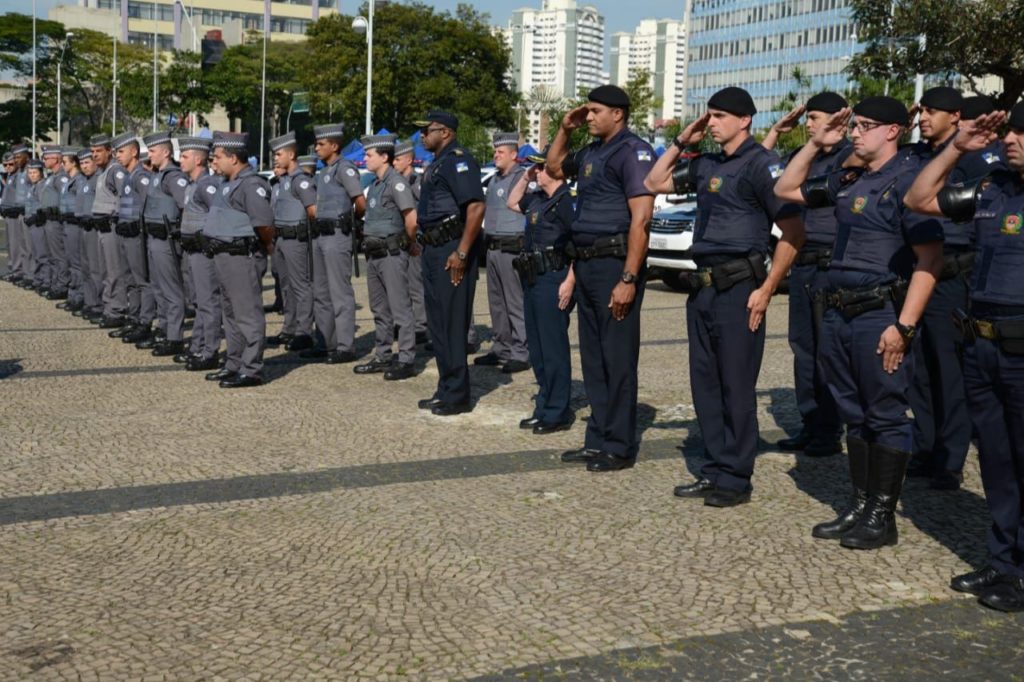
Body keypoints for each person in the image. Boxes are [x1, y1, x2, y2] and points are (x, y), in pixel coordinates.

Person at [774, 96, 944, 549]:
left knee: (886, 414)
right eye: (855, 125)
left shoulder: (908, 181)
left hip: (881, 312)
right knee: (853, 412)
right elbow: (787, 190)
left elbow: (930, 260)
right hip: (839, 309)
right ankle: (860, 503)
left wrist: (904, 328)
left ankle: (882, 515)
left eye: (865, 125)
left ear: (892, 131)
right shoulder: (849, 178)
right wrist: (814, 144)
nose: (855, 132)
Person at [646, 87, 803, 500]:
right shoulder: (707, 164)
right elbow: (654, 181)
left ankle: (736, 477)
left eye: (717, 116)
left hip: (740, 289)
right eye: (708, 116)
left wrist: (768, 288)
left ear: (744, 120)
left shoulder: (762, 165)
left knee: (736, 385)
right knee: (706, 384)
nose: (710, 122)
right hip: (703, 288)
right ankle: (715, 468)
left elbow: (793, 232)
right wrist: (683, 140)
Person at [904, 105, 1024, 611]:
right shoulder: (993, 187)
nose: (1011, 138)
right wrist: (958, 147)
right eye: (1011, 129)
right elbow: (919, 197)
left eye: (1022, 131)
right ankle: (1004, 563)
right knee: (997, 462)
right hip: (985, 344)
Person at [546, 85, 656, 472]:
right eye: (587, 111)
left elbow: (641, 219)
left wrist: (628, 277)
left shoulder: (633, 151)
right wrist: (565, 129)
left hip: (614, 264)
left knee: (617, 358)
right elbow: (553, 168)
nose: (588, 116)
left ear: (618, 114)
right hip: (588, 263)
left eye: (595, 111)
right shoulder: (592, 151)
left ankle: (620, 445)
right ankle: (598, 438)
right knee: (593, 359)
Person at [904, 87, 986, 490]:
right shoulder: (917, 158)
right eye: (922, 112)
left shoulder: (971, 162)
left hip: (951, 275)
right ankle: (924, 446)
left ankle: (951, 459)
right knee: (917, 368)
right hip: (916, 272)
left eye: (932, 112)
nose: (923, 118)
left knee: (948, 369)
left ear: (956, 117)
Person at [764, 93, 851, 458]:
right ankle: (811, 423)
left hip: (832, 264)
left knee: (827, 353)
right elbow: (768, 173)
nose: (809, 125)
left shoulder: (852, 157)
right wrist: (772, 134)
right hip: (803, 262)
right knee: (803, 348)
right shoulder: (808, 158)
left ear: (839, 121)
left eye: (815, 118)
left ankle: (829, 429)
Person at [413, 110, 486, 415]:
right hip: (433, 249)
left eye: (426, 131)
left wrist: (463, 252)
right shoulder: (438, 163)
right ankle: (445, 388)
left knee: (453, 322)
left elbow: (476, 208)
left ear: (444, 132)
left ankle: (457, 395)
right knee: (439, 323)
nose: (421, 136)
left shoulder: (459, 160)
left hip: (451, 250)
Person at [506, 152, 577, 433]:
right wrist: (525, 177)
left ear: (558, 172)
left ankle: (558, 411)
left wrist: (570, 281)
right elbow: (512, 202)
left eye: (541, 167)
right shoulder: (538, 199)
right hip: (533, 277)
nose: (537, 171)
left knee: (553, 348)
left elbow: (579, 243)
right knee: (537, 347)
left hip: (554, 278)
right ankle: (544, 405)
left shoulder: (566, 202)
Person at [202, 131, 275, 388]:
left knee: (247, 315)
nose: (214, 162)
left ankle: (252, 368)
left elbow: (264, 224)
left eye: (218, 157)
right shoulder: (227, 184)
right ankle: (234, 363)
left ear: (233, 159)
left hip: (241, 256)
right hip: (223, 255)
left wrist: (268, 247)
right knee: (230, 315)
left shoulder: (251, 185)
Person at [352, 133, 419, 381]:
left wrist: (409, 243)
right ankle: (382, 355)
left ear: (384, 157)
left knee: (401, 308)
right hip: (374, 254)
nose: (365, 158)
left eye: (369, 155)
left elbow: (411, 219)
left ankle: (406, 359)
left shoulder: (396, 183)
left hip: (392, 253)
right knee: (379, 308)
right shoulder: (376, 185)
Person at [303, 122, 366, 364]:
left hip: (337, 235)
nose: (317, 148)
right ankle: (326, 341)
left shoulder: (344, 169)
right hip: (321, 235)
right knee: (320, 292)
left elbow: (360, 202)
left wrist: (350, 221)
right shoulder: (324, 171)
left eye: (321, 144)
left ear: (334, 145)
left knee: (340, 292)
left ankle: (346, 345)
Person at [476, 132, 530, 373]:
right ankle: (501, 347)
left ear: (514, 155)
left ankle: (521, 351)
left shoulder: (523, 178)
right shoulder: (496, 179)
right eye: (495, 151)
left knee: (515, 302)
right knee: (496, 303)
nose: (495, 155)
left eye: (500, 152)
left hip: (512, 248)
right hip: (493, 247)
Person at [140, 131, 190, 357]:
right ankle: (164, 329)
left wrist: (180, 231)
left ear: (166, 152)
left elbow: (187, 207)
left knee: (171, 290)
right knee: (159, 288)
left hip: (166, 239)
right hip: (154, 238)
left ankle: (175, 336)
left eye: (152, 151)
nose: (149, 156)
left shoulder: (173, 177)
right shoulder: (157, 175)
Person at [267, 131, 317, 353]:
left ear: (291, 154)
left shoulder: (301, 181)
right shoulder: (284, 181)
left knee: (300, 286)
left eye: (279, 154)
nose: (275, 159)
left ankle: (304, 331)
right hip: (281, 238)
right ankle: (289, 327)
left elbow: (314, 212)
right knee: (286, 287)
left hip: (296, 239)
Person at [177, 136, 224, 371]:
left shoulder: (207, 184)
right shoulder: (192, 184)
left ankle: (210, 351)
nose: (180, 160)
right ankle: (198, 346)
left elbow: (221, 212)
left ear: (198, 159)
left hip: (204, 251)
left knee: (208, 302)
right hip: (192, 250)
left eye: (184, 156)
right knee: (199, 302)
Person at [110, 132, 156, 346]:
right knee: (129, 279)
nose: (117, 156)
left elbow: (149, 205)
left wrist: (139, 225)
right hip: (126, 234)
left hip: (137, 235)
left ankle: (145, 322)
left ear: (134, 152)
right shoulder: (128, 176)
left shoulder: (141, 176)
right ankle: (134, 317)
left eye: (121, 151)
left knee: (141, 280)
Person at [89, 134, 132, 332]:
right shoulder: (103, 172)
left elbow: (127, 197)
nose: (95, 155)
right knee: (106, 270)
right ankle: (109, 307)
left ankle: (117, 310)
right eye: (93, 152)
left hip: (112, 227)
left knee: (115, 271)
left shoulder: (116, 172)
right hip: (102, 227)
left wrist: (118, 217)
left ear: (109, 151)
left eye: (99, 151)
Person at [394, 138, 429, 345]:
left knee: (416, 285)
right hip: (403, 240)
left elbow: (421, 213)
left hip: (415, 239)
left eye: (398, 159)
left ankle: (421, 325)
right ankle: (407, 323)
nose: (394, 163)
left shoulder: (417, 183)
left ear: (408, 160)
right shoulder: (399, 182)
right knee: (403, 284)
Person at [73, 148, 105, 322]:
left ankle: (99, 304)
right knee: (85, 267)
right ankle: (90, 301)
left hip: (93, 227)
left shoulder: (98, 179)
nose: (84, 166)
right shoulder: (83, 180)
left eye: (87, 162)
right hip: (82, 226)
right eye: (82, 163)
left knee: (95, 268)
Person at [58, 148, 85, 313]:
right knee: (70, 260)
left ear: (73, 163)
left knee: (77, 262)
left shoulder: (80, 180)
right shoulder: (70, 180)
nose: (62, 165)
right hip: (67, 223)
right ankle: (73, 294)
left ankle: (78, 296)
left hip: (75, 224)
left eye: (64, 162)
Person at [39, 145, 67, 299]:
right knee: (52, 255)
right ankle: (56, 283)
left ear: (56, 159)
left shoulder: (61, 177)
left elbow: (66, 197)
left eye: (46, 157)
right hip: (48, 220)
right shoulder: (52, 176)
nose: (44, 160)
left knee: (59, 255)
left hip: (56, 220)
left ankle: (62, 285)